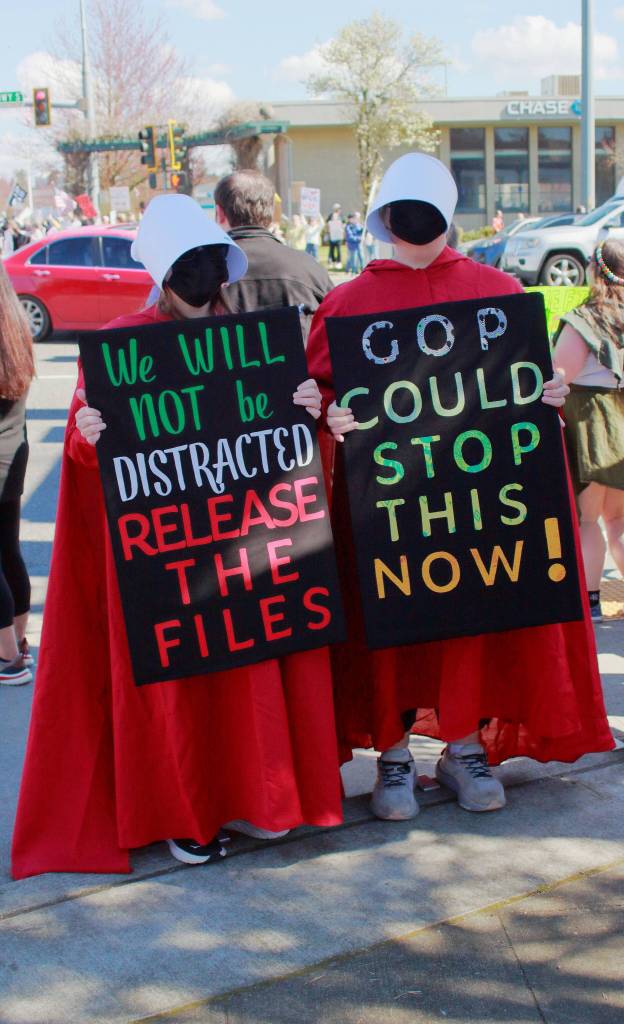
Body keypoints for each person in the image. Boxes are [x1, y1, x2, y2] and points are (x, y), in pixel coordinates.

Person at [12, 194, 343, 878]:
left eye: (207, 262)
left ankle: (261, 796)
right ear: (163, 273)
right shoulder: (125, 343)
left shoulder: (254, 342)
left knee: (249, 672)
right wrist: (86, 435)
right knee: (183, 690)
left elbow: (293, 443)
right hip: (169, 561)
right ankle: (189, 812)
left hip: (249, 550)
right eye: (186, 264)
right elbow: (87, 452)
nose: (200, 275)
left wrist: (309, 408)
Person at [307, 152, 613, 823]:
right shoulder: (345, 304)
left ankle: (463, 745)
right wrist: (325, 414)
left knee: (469, 617)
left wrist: (548, 394)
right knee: (386, 625)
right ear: (386, 219)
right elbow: (315, 396)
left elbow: (526, 391)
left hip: (473, 502)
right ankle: (391, 754)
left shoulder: (500, 294)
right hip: (381, 508)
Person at [552, 240, 624, 622]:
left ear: (595, 270)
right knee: (620, 518)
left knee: (587, 519)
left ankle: (591, 602)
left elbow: (559, 375)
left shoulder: (586, 319)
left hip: (593, 424)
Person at [214, 170, 333, 336]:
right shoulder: (308, 268)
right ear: (270, 213)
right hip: (301, 361)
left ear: (218, 213)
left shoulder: (201, 274)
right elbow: (338, 331)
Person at [0, 262, 34, 686]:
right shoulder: (15, 328)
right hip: (14, 452)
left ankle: (8, 658)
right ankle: (21, 643)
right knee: (8, 549)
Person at [326, 203, 344, 269]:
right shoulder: (331, 215)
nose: (337, 210)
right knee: (331, 249)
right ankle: (332, 261)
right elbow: (328, 223)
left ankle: (338, 262)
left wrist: (342, 229)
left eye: (338, 208)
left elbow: (343, 224)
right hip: (332, 235)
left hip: (338, 236)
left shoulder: (341, 216)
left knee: (338, 249)